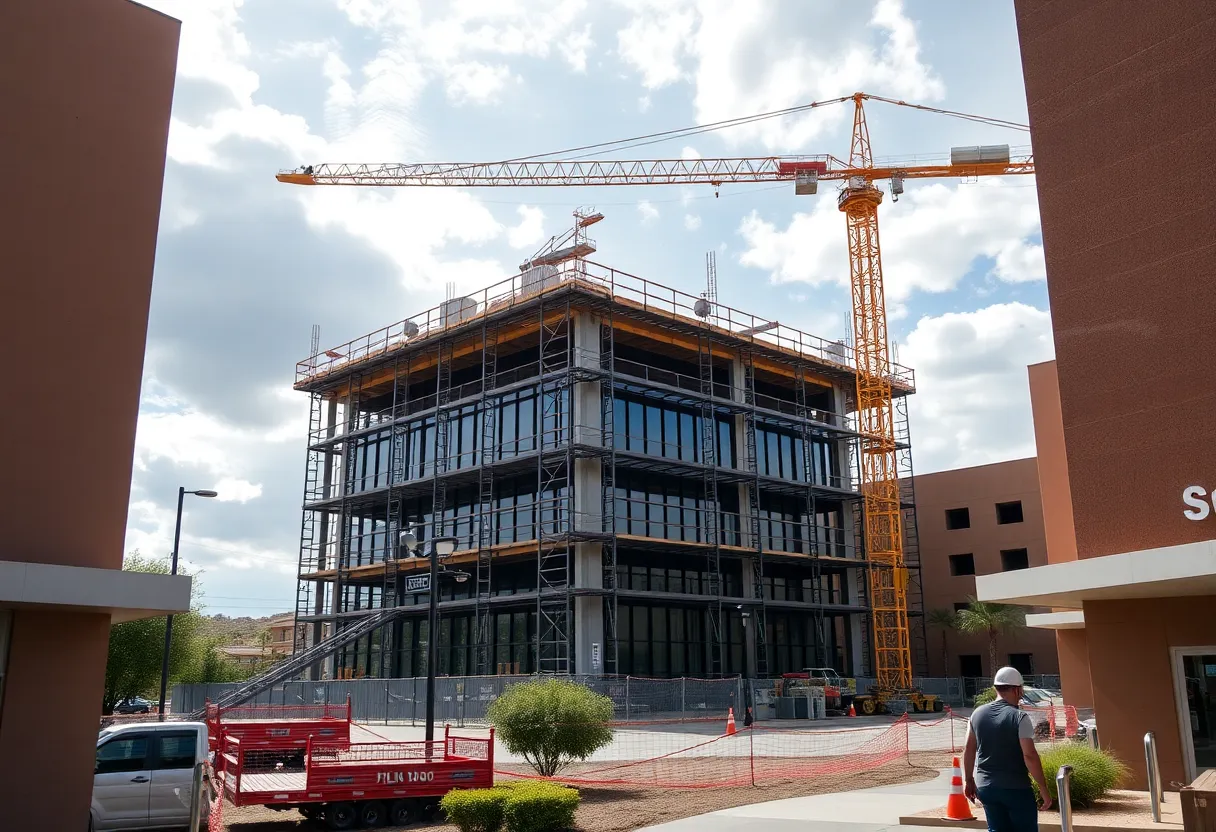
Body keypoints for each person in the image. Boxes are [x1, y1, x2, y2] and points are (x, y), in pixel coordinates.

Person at [963, 666, 1052, 832]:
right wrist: (1043, 787)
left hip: (986, 788)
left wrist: (968, 779)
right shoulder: (1019, 717)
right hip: (1015, 787)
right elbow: (1029, 755)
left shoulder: (977, 714)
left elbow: (969, 750)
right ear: (1017, 690)